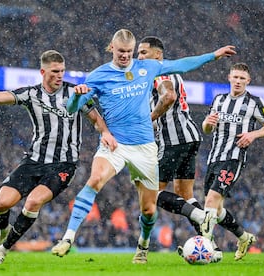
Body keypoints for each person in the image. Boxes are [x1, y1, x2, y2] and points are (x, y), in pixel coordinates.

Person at [51, 28, 236, 264]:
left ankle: (143, 246)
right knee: (95, 180)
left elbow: (183, 65)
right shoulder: (98, 75)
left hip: (145, 147)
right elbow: (71, 108)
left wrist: (214, 55)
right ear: (112, 48)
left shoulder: (147, 67)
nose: (125, 56)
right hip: (115, 145)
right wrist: (78, 95)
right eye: (121, 52)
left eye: (129, 52)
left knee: (149, 210)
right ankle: (68, 238)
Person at [0, 50, 117, 265]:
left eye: (62, 71)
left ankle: (3, 250)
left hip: (63, 164)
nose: (59, 75)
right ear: (43, 71)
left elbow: (96, 119)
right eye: (54, 71)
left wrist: (104, 132)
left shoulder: (75, 93)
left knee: (33, 202)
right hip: (33, 160)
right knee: (1, 204)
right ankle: (2, 232)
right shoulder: (31, 94)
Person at [137, 36, 223, 261]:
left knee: (152, 193)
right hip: (190, 137)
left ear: (158, 55)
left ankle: (199, 215)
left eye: (144, 52)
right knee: (185, 195)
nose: (139, 57)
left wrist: (150, 118)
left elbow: (169, 96)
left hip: (173, 140)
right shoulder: (172, 73)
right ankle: (211, 246)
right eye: (139, 53)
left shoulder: (159, 73)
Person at [200, 62, 264, 261]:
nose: (238, 81)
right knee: (215, 209)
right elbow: (207, 129)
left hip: (234, 158)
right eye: (235, 77)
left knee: (210, 201)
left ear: (248, 81)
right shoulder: (218, 100)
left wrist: (253, 135)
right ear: (229, 78)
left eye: (242, 78)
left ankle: (207, 248)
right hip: (214, 157)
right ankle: (244, 237)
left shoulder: (254, 102)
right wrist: (207, 123)